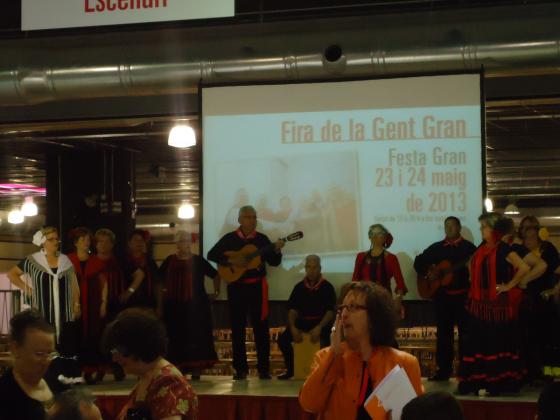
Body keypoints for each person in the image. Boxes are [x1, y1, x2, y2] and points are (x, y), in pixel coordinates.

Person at [299, 282, 423, 420]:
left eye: (352, 307)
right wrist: (333, 355)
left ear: (374, 316)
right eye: (342, 308)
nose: (344, 314)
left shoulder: (404, 363)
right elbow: (309, 404)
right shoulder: (324, 357)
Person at [207, 205, 284, 380]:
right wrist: (232, 261)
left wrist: (277, 250)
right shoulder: (229, 239)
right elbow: (211, 254)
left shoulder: (262, 240)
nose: (252, 220)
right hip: (237, 288)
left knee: (261, 328)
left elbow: (274, 262)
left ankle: (264, 369)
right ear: (240, 220)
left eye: (254, 217)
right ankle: (240, 369)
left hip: (257, 288)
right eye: (248, 217)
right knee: (237, 328)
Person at [457, 212, 530, 396]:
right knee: (477, 344)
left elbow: (523, 267)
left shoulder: (503, 248)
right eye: (481, 226)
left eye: (484, 227)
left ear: (494, 230)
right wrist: (474, 281)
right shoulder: (481, 248)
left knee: (494, 344)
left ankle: (497, 384)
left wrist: (509, 286)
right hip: (478, 305)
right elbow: (470, 265)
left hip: (496, 308)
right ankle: (477, 383)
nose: (481, 229)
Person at [102, 309, 198, 420]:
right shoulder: (148, 378)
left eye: (117, 351)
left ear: (136, 346)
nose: (114, 359)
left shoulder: (169, 382)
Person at [413, 216, 477, 381]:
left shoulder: (469, 248)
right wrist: (429, 272)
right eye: (446, 225)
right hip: (443, 299)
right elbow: (418, 262)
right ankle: (443, 371)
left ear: (459, 227)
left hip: (463, 298)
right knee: (443, 335)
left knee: (466, 336)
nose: (449, 228)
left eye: (452, 225)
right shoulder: (436, 248)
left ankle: (466, 371)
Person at [7, 227, 81, 354]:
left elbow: (73, 283)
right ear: (42, 242)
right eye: (51, 239)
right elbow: (12, 274)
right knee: (44, 344)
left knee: (65, 346)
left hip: (64, 310)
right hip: (42, 310)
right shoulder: (33, 260)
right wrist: (27, 289)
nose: (55, 242)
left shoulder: (65, 260)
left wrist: (76, 304)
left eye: (57, 239)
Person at [158, 230, 220, 379]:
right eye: (181, 240)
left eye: (186, 240)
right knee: (175, 337)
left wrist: (216, 292)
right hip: (174, 307)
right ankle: (178, 370)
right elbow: (158, 280)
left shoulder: (198, 260)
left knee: (196, 337)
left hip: (196, 307)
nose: (184, 243)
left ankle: (196, 369)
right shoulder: (169, 260)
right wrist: (160, 302)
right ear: (177, 244)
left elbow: (215, 274)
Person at [277, 254, 336, 380]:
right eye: (308, 267)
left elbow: (330, 312)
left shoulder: (327, 287)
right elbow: (292, 310)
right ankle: (292, 370)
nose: (311, 270)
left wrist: (319, 327)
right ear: (305, 268)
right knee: (283, 340)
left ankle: (323, 372)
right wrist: (293, 327)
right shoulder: (299, 287)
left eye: (314, 267)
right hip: (302, 321)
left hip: (320, 322)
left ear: (320, 268)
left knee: (327, 341)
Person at [67, 227, 108, 384]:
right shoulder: (68, 260)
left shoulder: (96, 261)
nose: (86, 242)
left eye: (88, 239)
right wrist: (73, 304)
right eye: (83, 239)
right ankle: (75, 371)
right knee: (74, 337)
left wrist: (103, 303)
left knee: (93, 336)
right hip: (73, 303)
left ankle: (90, 371)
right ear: (75, 242)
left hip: (93, 303)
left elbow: (104, 284)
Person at [0, 309, 57, 420]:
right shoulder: (5, 395)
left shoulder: (55, 382)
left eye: (50, 353)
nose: (46, 361)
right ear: (16, 348)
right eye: (39, 354)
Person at [522, 225, 560, 381]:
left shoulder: (547, 252)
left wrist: (554, 290)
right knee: (529, 338)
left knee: (546, 337)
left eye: (532, 237)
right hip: (527, 302)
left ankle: (549, 373)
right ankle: (532, 373)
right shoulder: (521, 253)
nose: (528, 240)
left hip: (544, 301)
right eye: (526, 237)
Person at [352, 224, 407, 312]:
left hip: (384, 301)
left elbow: (400, 283)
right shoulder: (361, 257)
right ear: (369, 237)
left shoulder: (391, 258)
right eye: (372, 234)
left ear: (385, 237)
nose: (375, 237)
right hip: (364, 300)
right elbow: (355, 280)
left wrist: (398, 298)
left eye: (379, 234)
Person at [121, 229, 160, 310]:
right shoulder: (123, 262)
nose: (139, 242)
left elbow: (157, 285)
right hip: (129, 305)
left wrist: (160, 307)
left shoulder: (150, 263)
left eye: (141, 240)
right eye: (136, 240)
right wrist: (128, 294)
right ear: (129, 243)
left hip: (149, 305)